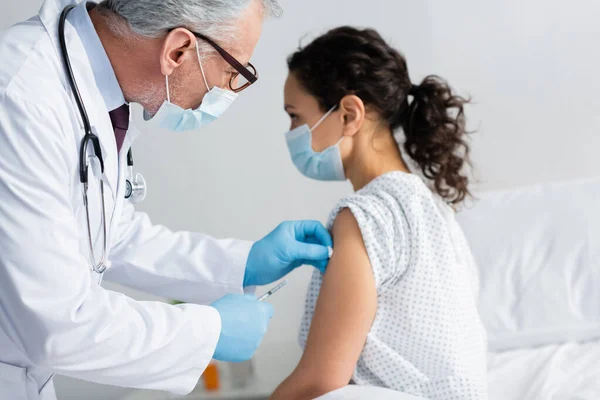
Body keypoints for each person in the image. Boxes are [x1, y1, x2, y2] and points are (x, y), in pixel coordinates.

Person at [0, 1, 334, 399]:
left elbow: (111, 234)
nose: (230, 91)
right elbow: (53, 323)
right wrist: (208, 331)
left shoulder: (96, 95)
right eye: (234, 72)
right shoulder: (22, 96)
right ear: (178, 50)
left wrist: (246, 263)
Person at [271, 27, 488, 400]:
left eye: (294, 115)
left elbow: (320, 381)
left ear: (349, 114)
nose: (291, 131)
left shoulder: (366, 216)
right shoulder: (433, 207)